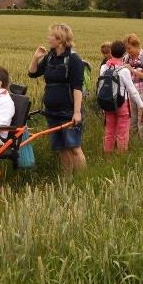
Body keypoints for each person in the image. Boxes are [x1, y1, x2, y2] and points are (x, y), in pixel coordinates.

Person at [28, 23, 86, 174]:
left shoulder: (73, 59)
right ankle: (67, 179)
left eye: (51, 36)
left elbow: (77, 87)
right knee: (61, 147)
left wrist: (77, 112)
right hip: (51, 111)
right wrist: (35, 58)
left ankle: (82, 179)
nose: (48, 38)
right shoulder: (50, 57)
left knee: (74, 147)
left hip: (68, 111)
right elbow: (33, 73)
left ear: (60, 39)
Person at [99, 40, 143, 153]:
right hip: (122, 104)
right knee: (122, 131)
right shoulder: (124, 70)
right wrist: (142, 106)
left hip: (107, 103)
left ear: (111, 52)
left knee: (109, 130)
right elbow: (132, 90)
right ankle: (121, 156)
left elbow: (101, 86)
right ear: (124, 54)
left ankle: (108, 155)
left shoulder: (104, 68)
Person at [122, 33, 143, 140]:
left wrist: (133, 70)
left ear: (136, 45)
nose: (128, 51)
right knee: (132, 118)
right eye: (126, 48)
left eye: (129, 48)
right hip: (131, 94)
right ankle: (134, 142)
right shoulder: (126, 58)